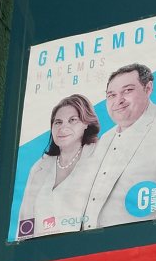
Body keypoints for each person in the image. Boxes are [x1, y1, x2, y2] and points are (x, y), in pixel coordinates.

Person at [82, 64, 156, 230]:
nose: (118, 101)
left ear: (148, 88)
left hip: (143, 244)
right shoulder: (106, 139)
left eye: (127, 91)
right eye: (111, 95)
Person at [17, 94, 100, 239]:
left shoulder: (100, 154)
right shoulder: (39, 167)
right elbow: (25, 221)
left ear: (86, 123)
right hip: (43, 254)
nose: (63, 127)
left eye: (72, 120)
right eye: (58, 122)